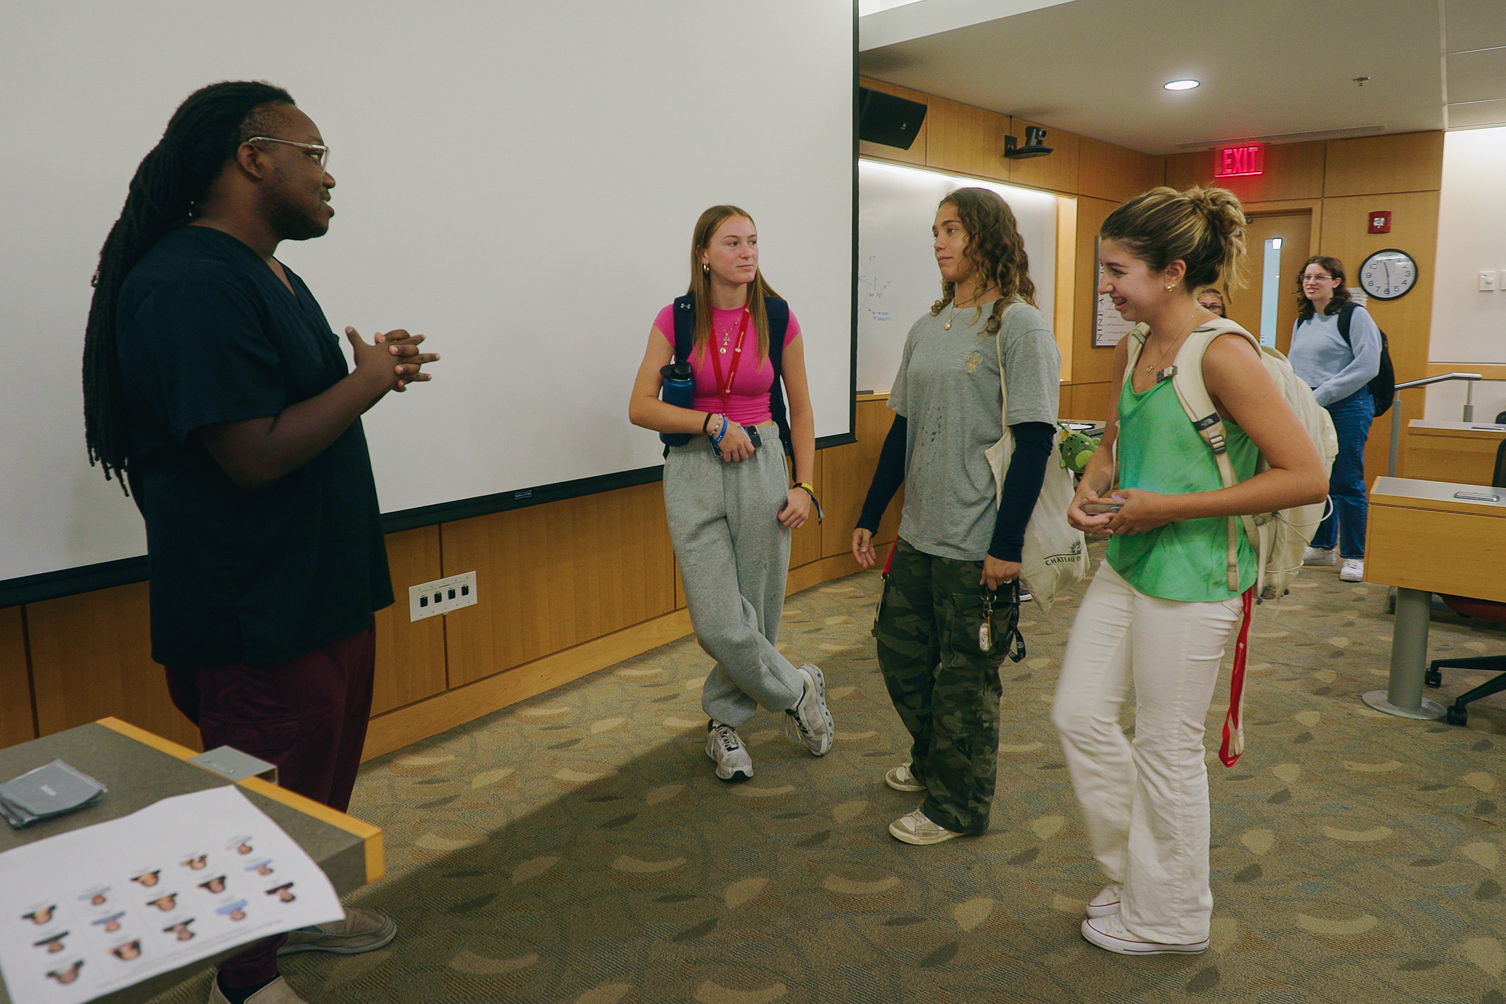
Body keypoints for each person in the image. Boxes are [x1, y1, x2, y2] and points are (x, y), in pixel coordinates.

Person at [80, 82, 430, 1004]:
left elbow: (292, 409)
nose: (329, 177)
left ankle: (298, 904)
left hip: (322, 590)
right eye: (313, 155)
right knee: (253, 805)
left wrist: (367, 373)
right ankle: (241, 981)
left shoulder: (272, 272)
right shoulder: (188, 280)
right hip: (254, 610)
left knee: (315, 787)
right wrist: (367, 382)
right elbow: (251, 453)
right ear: (253, 157)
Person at [1053, 187, 1327, 955]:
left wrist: (1169, 507)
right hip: (1131, 561)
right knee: (1077, 715)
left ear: (1172, 271)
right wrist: (1092, 482)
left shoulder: (1224, 353)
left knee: (1167, 746)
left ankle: (1172, 916)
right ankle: (1139, 879)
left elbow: (1302, 475)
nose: (1107, 286)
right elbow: (1115, 437)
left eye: (1118, 271)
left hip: (1201, 573)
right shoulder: (1134, 345)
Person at [852, 187, 1062, 846]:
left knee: (966, 681)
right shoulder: (927, 327)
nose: (939, 242)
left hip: (978, 540)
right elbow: (902, 432)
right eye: (936, 230)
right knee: (900, 655)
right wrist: (870, 513)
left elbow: (1034, 442)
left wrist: (1006, 547)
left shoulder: (1018, 326)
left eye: (952, 229)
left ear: (986, 236)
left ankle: (958, 805)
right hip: (919, 533)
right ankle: (934, 759)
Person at [628, 205, 833, 782]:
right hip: (694, 466)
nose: (747, 253)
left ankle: (724, 724)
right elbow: (640, 406)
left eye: (753, 242)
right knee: (717, 620)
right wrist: (710, 423)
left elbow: (802, 407)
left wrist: (805, 483)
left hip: (763, 461)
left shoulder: (777, 316)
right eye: (732, 243)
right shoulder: (677, 318)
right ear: (703, 254)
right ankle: (798, 690)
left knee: (758, 612)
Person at [1289, 256, 1381, 583]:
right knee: (1319, 477)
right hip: (1312, 405)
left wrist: (1322, 394)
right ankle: (1323, 545)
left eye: (1320, 277)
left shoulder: (1355, 315)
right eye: (1307, 277)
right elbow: (1294, 366)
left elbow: (1368, 365)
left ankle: (1354, 554)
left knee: (1347, 480)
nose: (1311, 282)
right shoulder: (1303, 320)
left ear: (1336, 282)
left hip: (1347, 404)